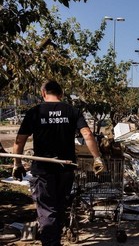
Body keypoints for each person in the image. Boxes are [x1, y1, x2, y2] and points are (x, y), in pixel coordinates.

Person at [11, 80, 103, 246]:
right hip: (66, 168)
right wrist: (97, 158)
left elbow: (20, 140)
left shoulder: (35, 112)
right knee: (59, 206)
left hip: (43, 169)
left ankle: (51, 242)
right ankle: (55, 240)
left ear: (43, 93)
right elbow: (88, 134)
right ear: (61, 94)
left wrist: (16, 163)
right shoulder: (73, 111)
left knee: (47, 209)